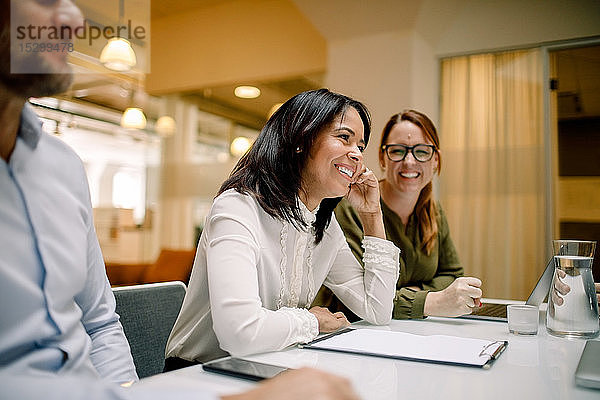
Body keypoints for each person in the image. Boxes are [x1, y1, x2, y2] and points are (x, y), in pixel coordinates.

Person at [0, 1, 361, 399]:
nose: (74, 19)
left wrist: (129, 394)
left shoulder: (63, 167)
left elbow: (100, 324)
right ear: (300, 144)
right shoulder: (240, 207)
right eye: (45, 0)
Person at [164, 88, 400, 368]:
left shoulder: (322, 222)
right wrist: (312, 321)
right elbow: (240, 333)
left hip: (271, 367)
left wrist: (372, 215)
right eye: (344, 137)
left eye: (360, 146)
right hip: (199, 375)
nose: (357, 155)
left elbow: (378, 310)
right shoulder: (237, 207)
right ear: (301, 140)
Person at [313, 110, 482, 320]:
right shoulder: (351, 208)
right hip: (350, 331)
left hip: (410, 329)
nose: (409, 161)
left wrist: (410, 293)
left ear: (436, 160)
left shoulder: (434, 212)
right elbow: (365, 297)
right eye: (397, 151)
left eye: (421, 151)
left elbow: (453, 275)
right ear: (382, 158)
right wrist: (432, 300)